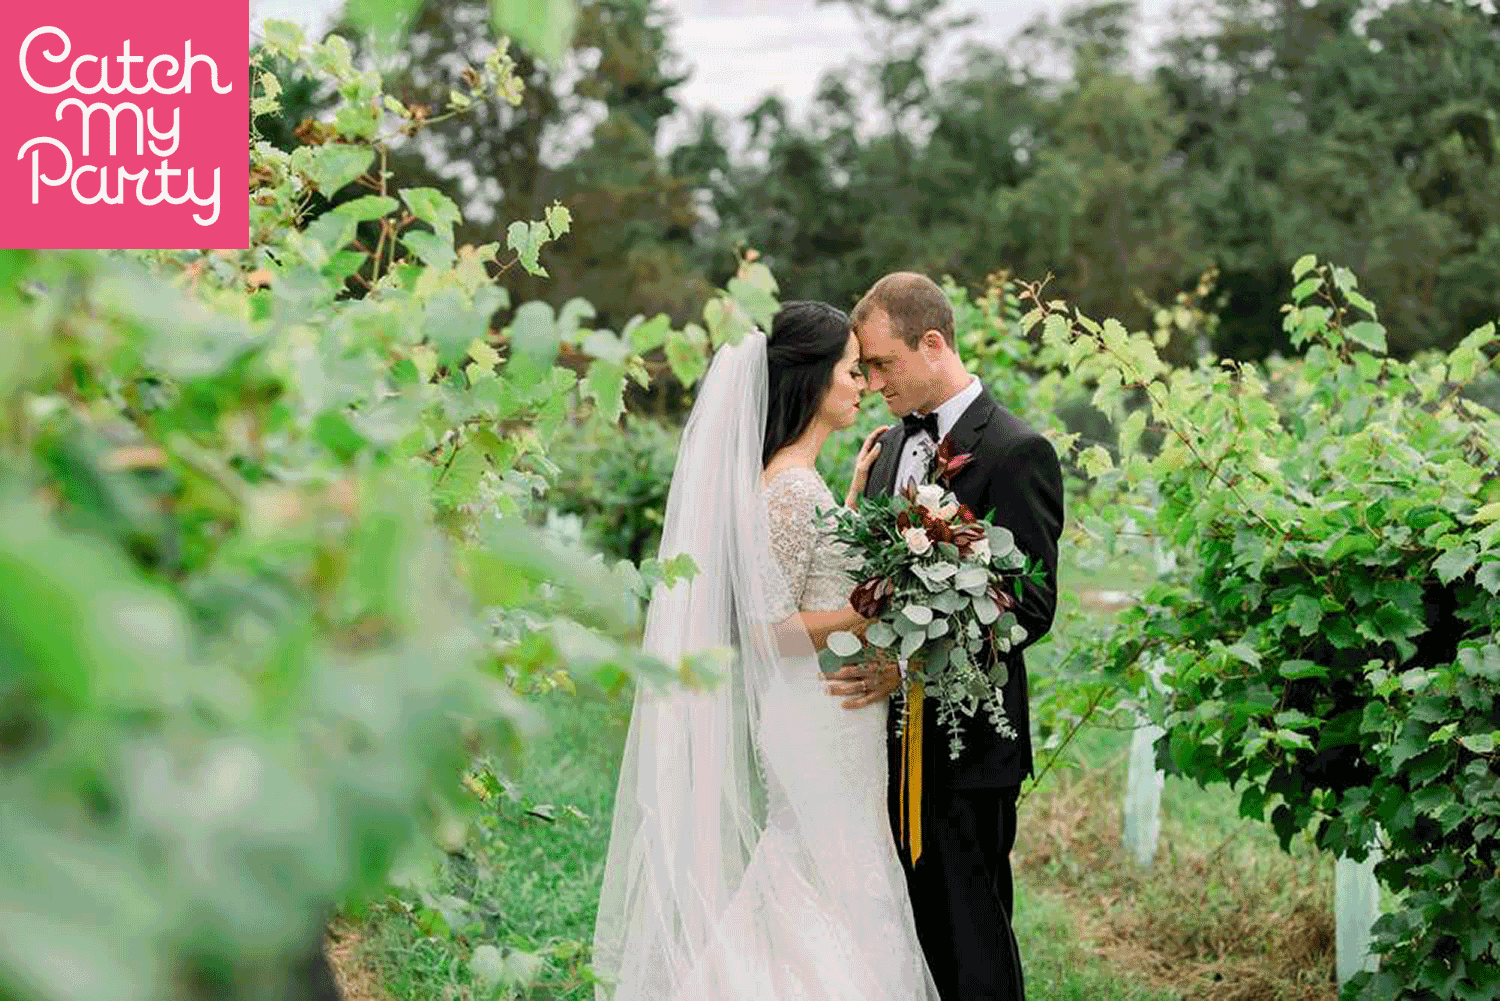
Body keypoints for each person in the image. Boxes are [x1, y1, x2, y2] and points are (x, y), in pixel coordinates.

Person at [592, 301, 939, 1001]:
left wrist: (848, 518)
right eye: (850, 370)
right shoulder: (787, 488)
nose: (862, 384)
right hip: (814, 721)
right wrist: (867, 609)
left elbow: (801, 566)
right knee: (816, 869)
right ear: (812, 381)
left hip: (834, 718)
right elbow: (765, 626)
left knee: (835, 870)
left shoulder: (799, 484)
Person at [829, 272, 1065, 1001]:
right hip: (880, 745)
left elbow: (1028, 606)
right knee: (911, 938)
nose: (871, 382)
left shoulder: (1018, 450)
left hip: (969, 750)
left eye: (882, 363)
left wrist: (910, 670)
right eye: (863, 368)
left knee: (975, 944)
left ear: (933, 344)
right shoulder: (884, 447)